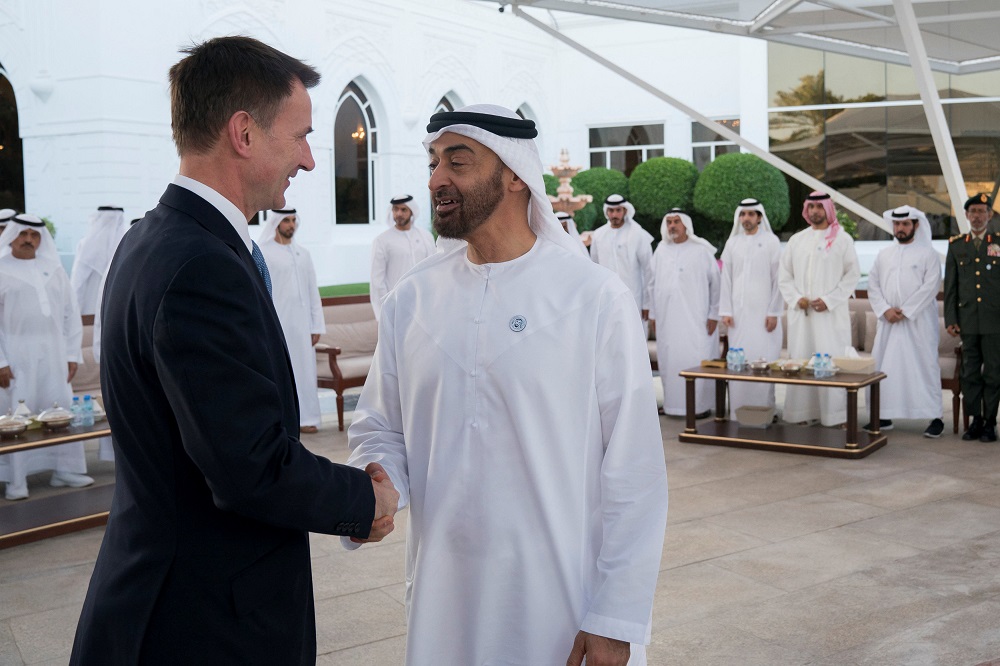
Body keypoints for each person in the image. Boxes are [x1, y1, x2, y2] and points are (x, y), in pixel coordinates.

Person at [70, 36, 398, 665]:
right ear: (244, 133)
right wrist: (364, 500)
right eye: (300, 135)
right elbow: (248, 467)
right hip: (198, 622)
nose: (307, 159)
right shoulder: (200, 264)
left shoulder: (156, 238)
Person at [345, 104, 668, 666]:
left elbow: (634, 469)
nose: (435, 180)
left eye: (458, 162)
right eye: (433, 162)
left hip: (562, 606)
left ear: (515, 173)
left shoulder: (592, 298)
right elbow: (380, 424)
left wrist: (616, 617)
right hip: (444, 603)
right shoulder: (412, 302)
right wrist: (379, 478)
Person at [0, 213, 92, 500]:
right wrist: (0, 362)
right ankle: (17, 480)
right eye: (23, 234)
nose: (28, 239)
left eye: (34, 235)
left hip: (54, 354)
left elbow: (70, 315)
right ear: (11, 236)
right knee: (18, 414)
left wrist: (71, 354)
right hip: (16, 355)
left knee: (59, 408)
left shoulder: (53, 268)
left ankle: (65, 470)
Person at [779, 192, 860, 426]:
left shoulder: (842, 239)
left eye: (819, 207)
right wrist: (796, 299)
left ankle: (834, 416)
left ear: (828, 209)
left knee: (831, 363)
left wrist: (829, 300)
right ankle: (802, 414)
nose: (815, 211)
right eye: (811, 206)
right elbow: (784, 276)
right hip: (802, 316)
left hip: (831, 317)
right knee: (802, 361)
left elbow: (852, 275)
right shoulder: (797, 240)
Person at [865, 205, 944, 437]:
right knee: (884, 367)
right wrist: (885, 310)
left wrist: (907, 311)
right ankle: (883, 415)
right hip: (888, 322)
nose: (900, 228)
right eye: (897, 224)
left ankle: (935, 416)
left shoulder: (928, 254)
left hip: (918, 323)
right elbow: (873, 285)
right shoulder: (884, 254)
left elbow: (931, 287)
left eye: (905, 224)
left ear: (915, 226)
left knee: (924, 366)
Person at [258, 208, 325, 433]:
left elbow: (312, 291)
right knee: (281, 372)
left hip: (302, 326)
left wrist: (316, 325)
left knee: (305, 371)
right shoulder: (263, 252)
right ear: (276, 222)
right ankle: (284, 421)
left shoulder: (302, 253)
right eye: (286, 220)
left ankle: (308, 418)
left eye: (294, 220)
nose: (291, 225)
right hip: (278, 323)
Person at [651, 208, 720, 417]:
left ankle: (699, 407)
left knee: (695, 357)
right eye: (669, 222)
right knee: (670, 361)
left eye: (676, 222)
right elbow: (651, 285)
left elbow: (716, 285)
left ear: (686, 226)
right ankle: (672, 405)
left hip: (696, 319)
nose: (672, 226)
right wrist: (653, 315)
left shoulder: (701, 251)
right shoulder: (661, 250)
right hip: (667, 321)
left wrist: (713, 314)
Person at [720, 198, 783, 417]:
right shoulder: (733, 243)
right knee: (739, 364)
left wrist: (774, 311)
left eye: (750, 214)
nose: (746, 218)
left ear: (759, 217)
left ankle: (766, 412)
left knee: (763, 364)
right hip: (737, 318)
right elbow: (725, 279)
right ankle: (739, 413)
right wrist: (726, 311)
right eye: (742, 214)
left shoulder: (771, 241)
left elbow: (779, 280)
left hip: (764, 317)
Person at [945, 193, 1000, 442]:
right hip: (967, 320)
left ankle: (990, 422)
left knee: (993, 372)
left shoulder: (998, 243)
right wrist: (951, 319)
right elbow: (951, 287)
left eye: (982, 211)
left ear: (989, 215)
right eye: (973, 212)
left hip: (994, 321)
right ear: (966, 216)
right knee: (969, 374)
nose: (977, 216)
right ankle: (975, 421)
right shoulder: (957, 245)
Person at [369, 194, 435, 320]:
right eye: (395, 209)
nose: (399, 213)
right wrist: (384, 313)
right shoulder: (382, 241)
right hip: (396, 309)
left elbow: (433, 272)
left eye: (403, 209)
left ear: (412, 211)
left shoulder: (426, 237)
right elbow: (377, 281)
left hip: (423, 306)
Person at [589, 194, 654, 321]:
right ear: (606, 212)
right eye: (611, 210)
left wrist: (647, 303)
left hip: (634, 298)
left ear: (625, 210)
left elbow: (648, 270)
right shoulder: (598, 235)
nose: (614, 215)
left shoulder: (638, 234)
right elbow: (594, 269)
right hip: (606, 299)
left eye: (618, 210)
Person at [70, 206, 128, 315]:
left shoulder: (126, 244)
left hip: (114, 306)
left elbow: (77, 282)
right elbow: (78, 280)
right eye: (107, 220)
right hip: (90, 310)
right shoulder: (86, 245)